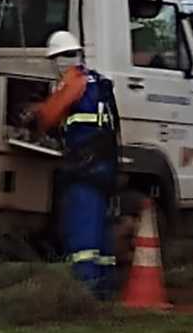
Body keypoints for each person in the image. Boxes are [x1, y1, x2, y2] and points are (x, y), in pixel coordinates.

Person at [31, 30, 121, 299]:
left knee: (82, 234)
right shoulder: (100, 83)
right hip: (106, 166)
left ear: (58, 59)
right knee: (100, 233)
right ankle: (105, 288)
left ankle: (85, 291)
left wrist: (34, 119)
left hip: (84, 168)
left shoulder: (73, 82)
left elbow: (49, 116)